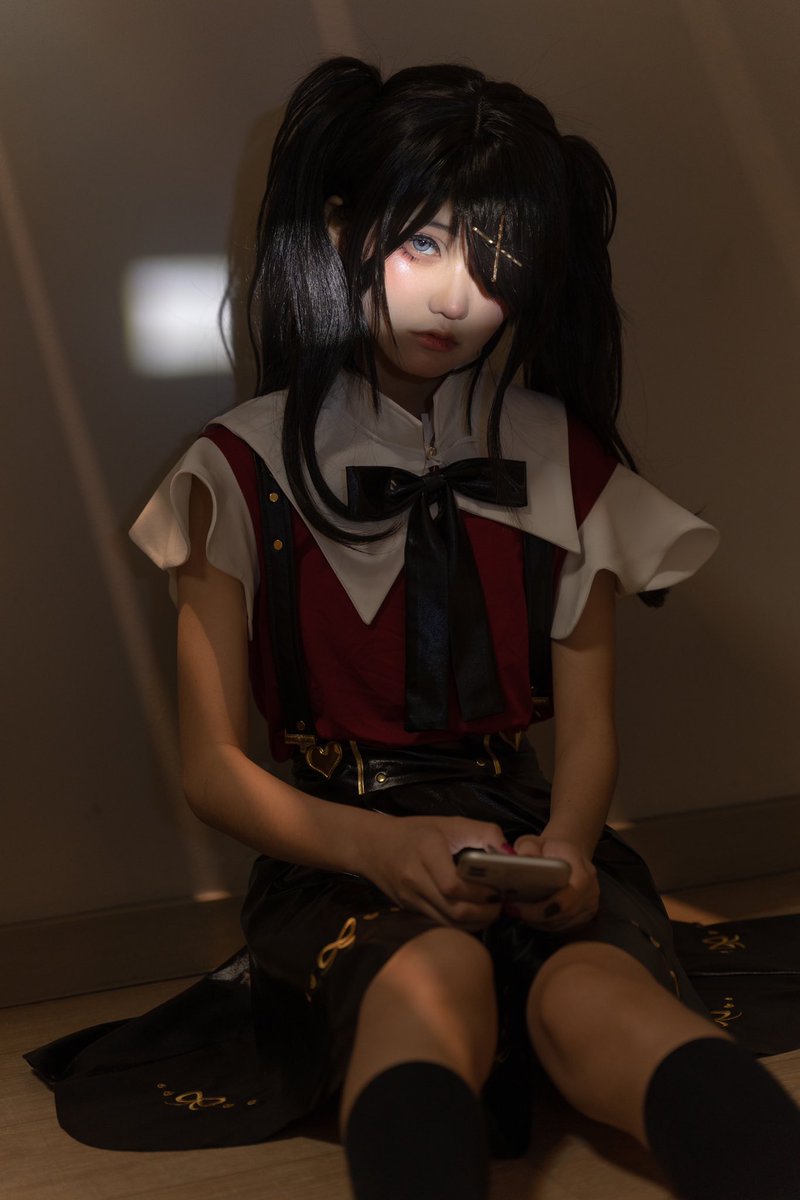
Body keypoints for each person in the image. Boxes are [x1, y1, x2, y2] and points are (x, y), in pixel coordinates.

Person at [26, 57, 800, 1199]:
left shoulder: (561, 453)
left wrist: (569, 847)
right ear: (342, 232)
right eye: (423, 244)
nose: (457, 300)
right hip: (334, 846)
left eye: (497, 262)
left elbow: (588, 734)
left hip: (527, 839)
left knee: (603, 1001)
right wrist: (376, 849)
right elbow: (211, 768)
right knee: (424, 988)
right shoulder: (233, 466)